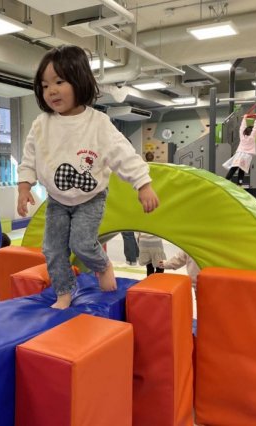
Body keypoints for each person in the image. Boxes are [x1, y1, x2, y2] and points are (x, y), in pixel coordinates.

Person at [17, 45, 159, 309]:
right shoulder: (41, 124)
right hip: (57, 200)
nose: (52, 91)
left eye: (59, 82)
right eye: (45, 85)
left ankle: (102, 266)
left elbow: (123, 154)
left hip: (90, 198)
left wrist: (143, 184)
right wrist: (24, 186)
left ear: (79, 80)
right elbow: (29, 157)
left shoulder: (98, 123)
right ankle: (64, 291)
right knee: (52, 249)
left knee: (82, 243)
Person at [223, 114, 256, 185]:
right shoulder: (252, 137)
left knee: (234, 167)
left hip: (239, 154)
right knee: (242, 169)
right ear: (251, 132)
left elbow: (242, 128)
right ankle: (239, 183)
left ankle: (226, 180)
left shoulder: (242, 136)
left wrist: (244, 118)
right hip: (247, 155)